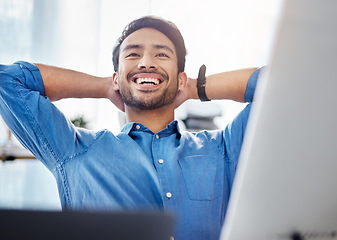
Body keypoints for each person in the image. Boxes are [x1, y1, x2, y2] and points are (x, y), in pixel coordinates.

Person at [0, 16, 261, 239]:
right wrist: (104, 86)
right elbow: (8, 80)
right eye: (133, 54)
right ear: (116, 77)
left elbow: (285, 83)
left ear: (181, 78)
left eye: (161, 54)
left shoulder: (223, 149)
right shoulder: (75, 151)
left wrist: (195, 87)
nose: (146, 62)